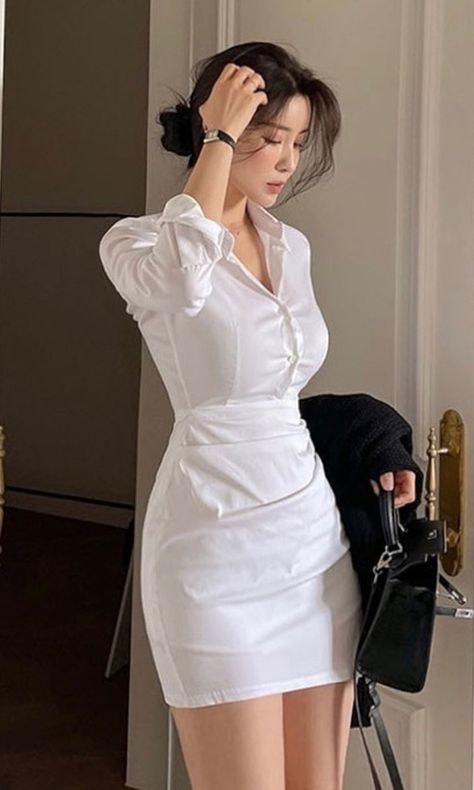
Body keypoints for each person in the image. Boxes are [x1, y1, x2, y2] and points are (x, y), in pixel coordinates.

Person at [99, 41, 363, 790]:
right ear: (214, 126)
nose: (286, 161)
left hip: (312, 550)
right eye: (268, 137)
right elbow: (182, 283)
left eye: (298, 143)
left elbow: (284, 393)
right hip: (212, 555)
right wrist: (217, 135)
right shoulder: (139, 243)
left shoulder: (291, 247)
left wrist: (379, 454)